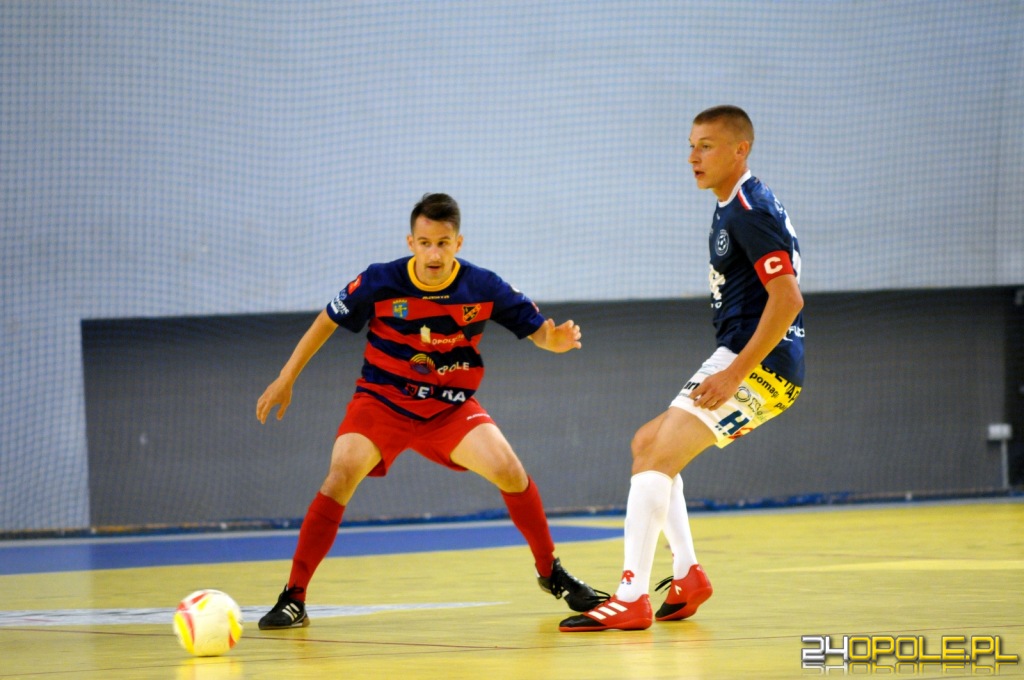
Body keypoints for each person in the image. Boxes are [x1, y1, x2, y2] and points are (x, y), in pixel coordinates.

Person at [256, 192, 605, 630]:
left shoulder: (483, 286)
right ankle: (294, 596)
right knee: (340, 474)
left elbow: (537, 331)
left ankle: (550, 571)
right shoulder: (380, 281)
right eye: (425, 243)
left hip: (449, 409)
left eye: (443, 243)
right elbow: (327, 320)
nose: (434, 254)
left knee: (509, 470)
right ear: (411, 243)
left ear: (458, 243)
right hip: (382, 402)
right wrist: (286, 377)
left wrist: (551, 342)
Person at [559, 105, 805, 632]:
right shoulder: (731, 204)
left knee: (656, 456)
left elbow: (788, 299)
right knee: (647, 443)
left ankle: (631, 596)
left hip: (760, 365)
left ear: (740, 150)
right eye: (691, 145)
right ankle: (687, 573)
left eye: (706, 146)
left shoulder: (749, 210)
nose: (693, 156)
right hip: (742, 356)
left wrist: (735, 373)